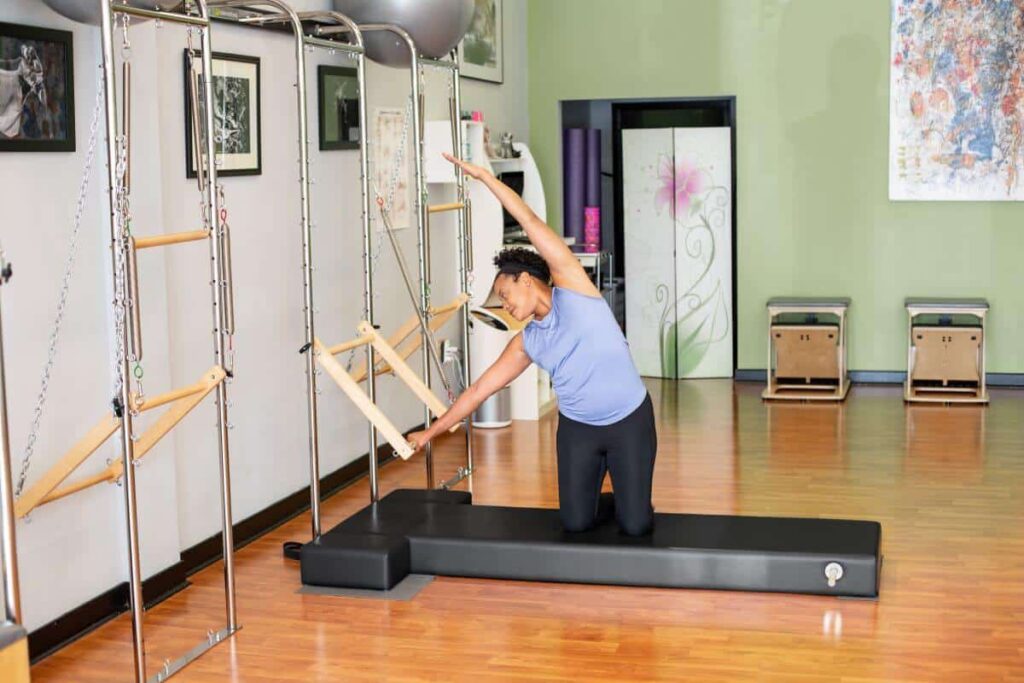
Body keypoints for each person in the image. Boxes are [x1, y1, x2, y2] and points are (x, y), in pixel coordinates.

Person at [406, 153, 657, 536]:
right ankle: (610, 496)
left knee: (636, 524)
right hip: (579, 430)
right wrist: (430, 433)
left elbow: (530, 221)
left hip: (629, 422)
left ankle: (630, 498)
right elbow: (477, 391)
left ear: (525, 279)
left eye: (505, 294)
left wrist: (486, 178)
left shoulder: (574, 287)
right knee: (575, 523)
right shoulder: (526, 343)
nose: (505, 305)